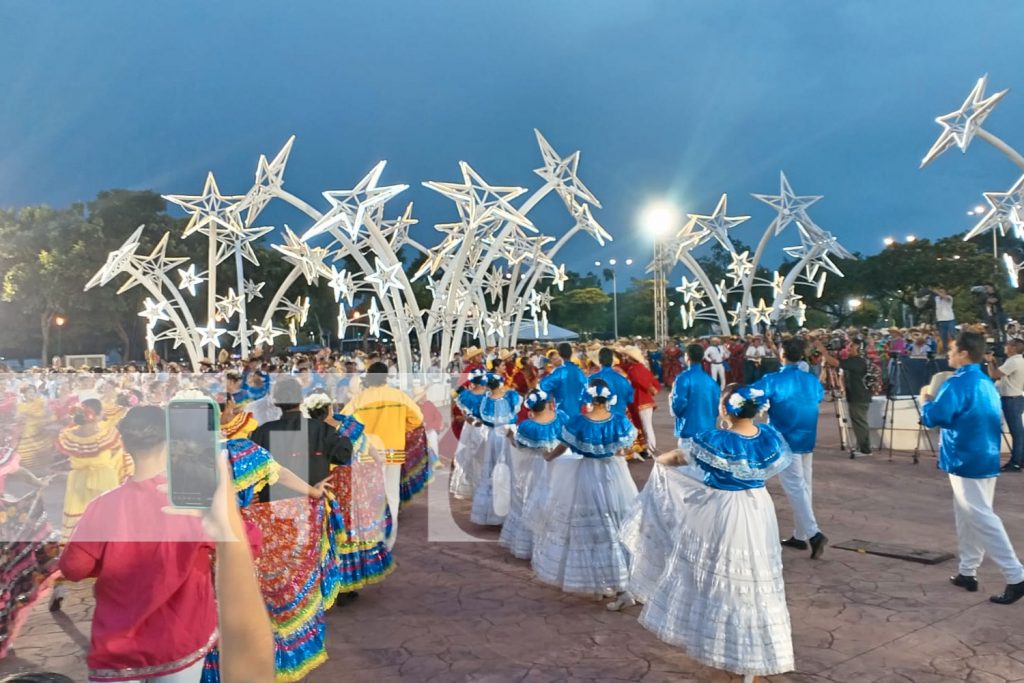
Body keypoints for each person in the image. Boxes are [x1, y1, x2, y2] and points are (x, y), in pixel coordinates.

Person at [626, 385, 794, 682]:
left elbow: (679, 457)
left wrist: (659, 461)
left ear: (727, 410)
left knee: (723, 571)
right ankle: (751, 655)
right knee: (755, 573)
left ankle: (728, 645)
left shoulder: (718, 440)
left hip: (725, 510)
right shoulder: (767, 436)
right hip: (759, 509)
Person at [59, 406, 220, 683]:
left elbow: (73, 568)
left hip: (118, 644)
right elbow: (248, 542)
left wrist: (111, 561)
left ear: (124, 444)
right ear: (170, 442)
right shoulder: (193, 500)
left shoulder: (102, 506)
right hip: (179, 636)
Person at [921, 331, 1024, 604]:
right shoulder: (985, 381)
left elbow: (935, 416)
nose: (949, 354)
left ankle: (1016, 576)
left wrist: (925, 401)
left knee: (979, 516)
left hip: (964, 456)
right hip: (984, 454)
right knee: (968, 514)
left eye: (953, 349)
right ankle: (968, 570)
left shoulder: (958, 383)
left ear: (964, 353)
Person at [532, 379, 638, 608]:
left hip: (589, 475)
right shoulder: (619, 421)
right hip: (615, 474)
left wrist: (550, 457)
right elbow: (623, 448)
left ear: (588, 397)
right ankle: (616, 584)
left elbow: (562, 446)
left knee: (593, 529)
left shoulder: (579, 422)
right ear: (608, 397)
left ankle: (612, 586)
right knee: (617, 524)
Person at [752, 338, 827, 559]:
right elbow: (819, 398)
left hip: (785, 438)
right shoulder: (811, 380)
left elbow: (749, 395)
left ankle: (813, 533)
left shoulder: (773, 380)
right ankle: (801, 533)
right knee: (804, 486)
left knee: (796, 486)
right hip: (806, 437)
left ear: (782, 355)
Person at [341, 363, 423, 549]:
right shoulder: (399, 396)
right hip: (393, 451)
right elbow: (417, 419)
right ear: (386, 376)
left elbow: (344, 424)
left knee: (368, 496)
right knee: (391, 496)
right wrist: (400, 431)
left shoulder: (359, 399)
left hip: (367, 453)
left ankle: (371, 539)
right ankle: (388, 542)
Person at [499, 389, 563, 560]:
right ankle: (552, 545)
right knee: (554, 500)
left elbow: (519, 445)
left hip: (534, 466)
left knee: (530, 498)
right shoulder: (561, 418)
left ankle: (530, 544)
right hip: (559, 464)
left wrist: (510, 435)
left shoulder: (528, 426)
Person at [470, 373, 521, 526]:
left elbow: (483, 419)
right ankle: (509, 510)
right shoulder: (511, 396)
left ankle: (493, 511)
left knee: (493, 468)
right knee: (510, 469)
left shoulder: (486, 400)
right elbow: (516, 411)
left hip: (493, 436)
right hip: (508, 434)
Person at [819, 338, 873, 457]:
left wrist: (824, 352)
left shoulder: (857, 361)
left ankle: (865, 449)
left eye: (852, 346)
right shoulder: (859, 361)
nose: (849, 349)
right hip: (858, 395)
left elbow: (836, 363)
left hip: (859, 396)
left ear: (859, 348)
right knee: (858, 422)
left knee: (859, 422)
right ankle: (862, 446)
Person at [669, 343, 721, 453]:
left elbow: (678, 405)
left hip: (689, 429)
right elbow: (716, 408)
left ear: (687, 356)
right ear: (702, 357)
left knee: (686, 466)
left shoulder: (683, 377)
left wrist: (672, 402)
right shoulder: (711, 381)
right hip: (708, 431)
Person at [985, 337, 1024, 472]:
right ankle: (1019, 459)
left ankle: (1016, 463)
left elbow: (994, 374)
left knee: (1017, 433)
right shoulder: (1016, 361)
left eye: (1008, 345)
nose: (1006, 347)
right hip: (1015, 398)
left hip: (1011, 399)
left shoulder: (1013, 362)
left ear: (1013, 348)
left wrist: (989, 362)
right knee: (1018, 432)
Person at [449, 369, 488, 500]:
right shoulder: (488, 396)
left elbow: (455, 399)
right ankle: (482, 485)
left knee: (468, 456)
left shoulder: (465, 395)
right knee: (483, 457)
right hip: (484, 428)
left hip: (470, 426)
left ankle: (469, 486)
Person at [621, 345, 662, 455]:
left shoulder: (634, 369)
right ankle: (648, 448)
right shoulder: (641, 368)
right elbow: (655, 384)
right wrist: (652, 389)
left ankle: (651, 449)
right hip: (645, 400)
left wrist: (650, 389)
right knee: (646, 426)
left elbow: (639, 381)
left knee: (646, 427)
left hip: (641, 400)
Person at [539, 342, 588, 418]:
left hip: (562, 411)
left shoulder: (559, 372)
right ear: (571, 353)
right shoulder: (578, 371)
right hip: (578, 410)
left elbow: (543, 385)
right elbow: (586, 386)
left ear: (559, 354)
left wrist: (551, 394)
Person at [589, 348, 633, 416]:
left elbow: (587, 398)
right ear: (612, 360)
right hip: (619, 417)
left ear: (600, 361)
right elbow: (630, 399)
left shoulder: (592, 378)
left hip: (600, 417)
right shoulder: (623, 379)